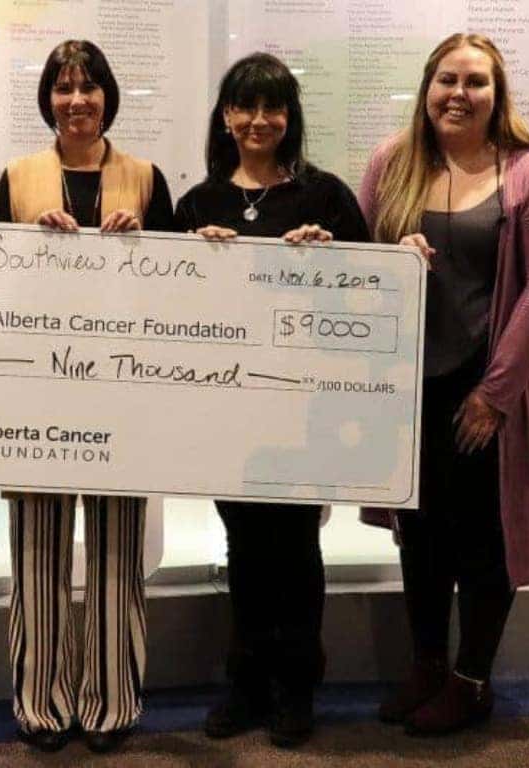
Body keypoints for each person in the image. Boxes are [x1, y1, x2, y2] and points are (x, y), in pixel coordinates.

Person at [357, 32, 529, 735]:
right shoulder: (391, 162)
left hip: (486, 391)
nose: (459, 94)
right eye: (447, 80)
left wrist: (496, 394)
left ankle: (471, 681)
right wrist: (390, 252)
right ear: (427, 88)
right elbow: (359, 260)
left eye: (476, 82)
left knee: (487, 539)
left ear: (497, 94)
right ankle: (426, 667)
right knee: (420, 533)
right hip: (408, 390)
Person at [175, 52, 368, 748]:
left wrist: (332, 255)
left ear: (291, 116)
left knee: (296, 544)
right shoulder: (197, 204)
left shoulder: (326, 197)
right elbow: (166, 310)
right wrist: (193, 255)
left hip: (306, 406)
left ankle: (296, 686)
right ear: (225, 115)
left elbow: (371, 295)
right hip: (227, 409)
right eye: (245, 106)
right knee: (244, 544)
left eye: (273, 106)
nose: (259, 120)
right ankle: (247, 681)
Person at [0, 39, 174, 755]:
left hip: (124, 395)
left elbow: (183, 291)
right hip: (36, 394)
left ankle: (111, 703)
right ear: (48, 99)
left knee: (118, 554)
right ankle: (40, 705)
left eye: (88, 87)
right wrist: (28, 246)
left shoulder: (146, 179)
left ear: (107, 97)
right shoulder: (17, 178)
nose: (76, 101)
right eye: (63, 88)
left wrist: (145, 246)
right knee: (36, 554)